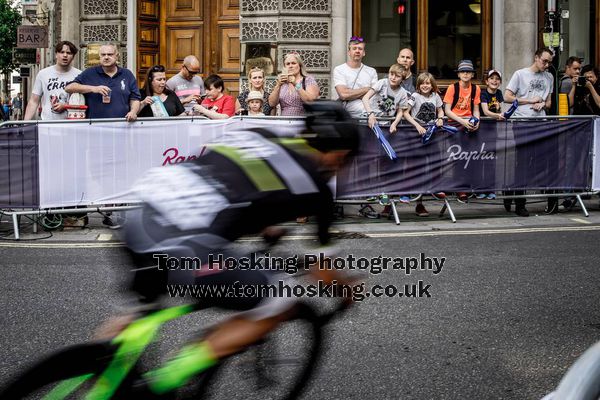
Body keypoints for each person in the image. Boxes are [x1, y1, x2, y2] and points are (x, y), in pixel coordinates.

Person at [105, 101, 358, 394]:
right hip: (185, 246)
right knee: (281, 297)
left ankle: (98, 367)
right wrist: (348, 291)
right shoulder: (318, 189)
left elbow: (236, 181)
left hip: (141, 214)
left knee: (140, 316)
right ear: (339, 155)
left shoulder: (260, 134)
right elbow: (323, 272)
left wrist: (268, 224)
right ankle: (169, 378)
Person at [504, 47, 555, 216]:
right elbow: (507, 96)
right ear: (536, 57)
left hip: (540, 122)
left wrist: (543, 104)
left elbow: (548, 102)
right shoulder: (520, 74)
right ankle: (520, 203)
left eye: (549, 62)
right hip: (521, 122)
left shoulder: (549, 77)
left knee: (537, 162)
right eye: (544, 61)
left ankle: (510, 190)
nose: (546, 65)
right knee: (523, 163)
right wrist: (528, 100)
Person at [65, 43, 140, 121]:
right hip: (95, 126)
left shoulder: (127, 74)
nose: (106, 57)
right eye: (103, 55)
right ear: (99, 57)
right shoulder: (90, 73)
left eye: (110, 54)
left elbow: (135, 99)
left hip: (122, 124)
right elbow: (69, 88)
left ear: (117, 56)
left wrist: (133, 112)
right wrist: (93, 88)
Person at [443, 60, 481, 202]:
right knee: (455, 157)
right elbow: (447, 111)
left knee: (469, 157)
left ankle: (465, 186)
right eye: (463, 71)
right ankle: (457, 188)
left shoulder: (476, 89)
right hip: (454, 124)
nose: (465, 74)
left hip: (469, 125)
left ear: (472, 74)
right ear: (458, 74)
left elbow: (476, 110)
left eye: (468, 71)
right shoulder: (452, 88)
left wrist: (477, 121)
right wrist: (462, 121)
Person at [24, 41, 82, 121]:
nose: (65, 55)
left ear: (73, 56)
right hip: (48, 124)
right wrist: (25, 123)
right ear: (56, 54)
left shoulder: (80, 75)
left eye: (69, 53)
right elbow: (34, 101)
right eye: (62, 52)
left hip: (72, 124)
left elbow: (83, 101)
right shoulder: (43, 74)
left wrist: (65, 106)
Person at [333, 36, 378, 118]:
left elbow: (374, 95)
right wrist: (367, 89)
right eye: (354, 48)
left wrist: (351, 93)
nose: (357, 51)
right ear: (349, 52)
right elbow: (343, 94)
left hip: (368, 116)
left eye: (360, 49)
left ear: (364, 53)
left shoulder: (372, 71)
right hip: (348, 118)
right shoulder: (339, 69)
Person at [362, 63, 408, 128]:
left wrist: (394, 124)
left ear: (402, 79)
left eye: (397, 76)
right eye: (391, 74)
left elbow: (400, 111)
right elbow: (365, 98)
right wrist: (370, 114)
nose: (393, 78)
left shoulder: (403, 92)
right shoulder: (382, 83)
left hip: (385, 122)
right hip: (369, 118)